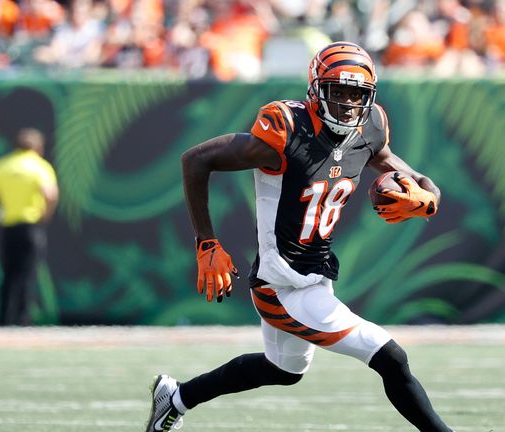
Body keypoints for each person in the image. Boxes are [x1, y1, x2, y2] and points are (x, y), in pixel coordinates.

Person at [146, 41, 453, 432]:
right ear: (315, 89)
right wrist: (206, 241)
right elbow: (196, 159)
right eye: (337, 91)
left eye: (356, 94)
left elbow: (417, 178)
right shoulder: (287, 130)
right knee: (390, 357)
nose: (346, 103)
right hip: (282, 285)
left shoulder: (369, 128)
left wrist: (429, 199)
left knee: (283, 370)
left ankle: (175, 398)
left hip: (313, 276)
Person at [0, 128, 59, 326]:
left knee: (8, 274)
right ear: (38, 147)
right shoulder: (39, 166)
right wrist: (45, 215)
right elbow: (50, 194)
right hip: (30, 227)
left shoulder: (4, 165)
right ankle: (22, 320)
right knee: (27, 273)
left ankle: (4, 319)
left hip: (8, 226)